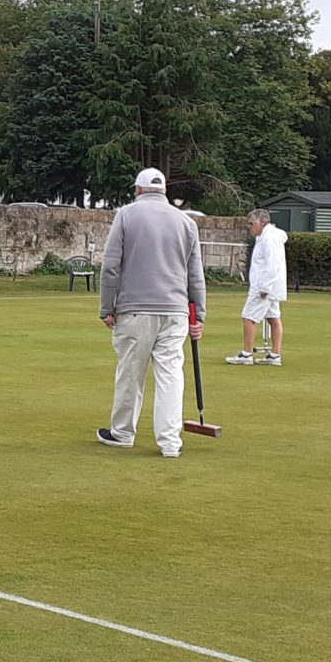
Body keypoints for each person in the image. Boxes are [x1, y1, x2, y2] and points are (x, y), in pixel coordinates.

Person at [97, 168, 207, 458]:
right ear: (164, 191)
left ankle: (122, 433)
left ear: (137, 190)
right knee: (171, 375)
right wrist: (199, 315)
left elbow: (111, 266)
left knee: (131, 373)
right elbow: (195, 274)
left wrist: (107, 307)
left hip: (135, 310)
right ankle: (170, 442)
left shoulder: (126, 215)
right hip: (176, 311)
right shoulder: (186, 222)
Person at [225, 208, 287, 366]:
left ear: (263, 222)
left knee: (248, 316)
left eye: (252, 223)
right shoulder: (264, 238)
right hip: (268, 286)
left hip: (264, 288)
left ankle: (246, 354)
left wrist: (265, 288)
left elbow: (272, 265)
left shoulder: (269, 239)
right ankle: (274, 355)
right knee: (273, 318)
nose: (249, 226)